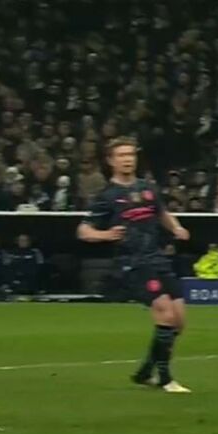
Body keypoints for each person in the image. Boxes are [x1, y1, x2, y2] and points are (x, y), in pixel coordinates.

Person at [77, 137, 192, 393]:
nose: (128, 159)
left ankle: (145, 371)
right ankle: (165, 378)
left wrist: (176, 227)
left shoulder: (147, 187)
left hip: (157, 258)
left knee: (178, 322)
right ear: (111, 161)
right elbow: (83, 230)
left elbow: (161, 213)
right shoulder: (107, 196)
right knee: (165, 313)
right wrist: (105, 235)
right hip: (133, 263)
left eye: (131, 154)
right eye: (122, 155)